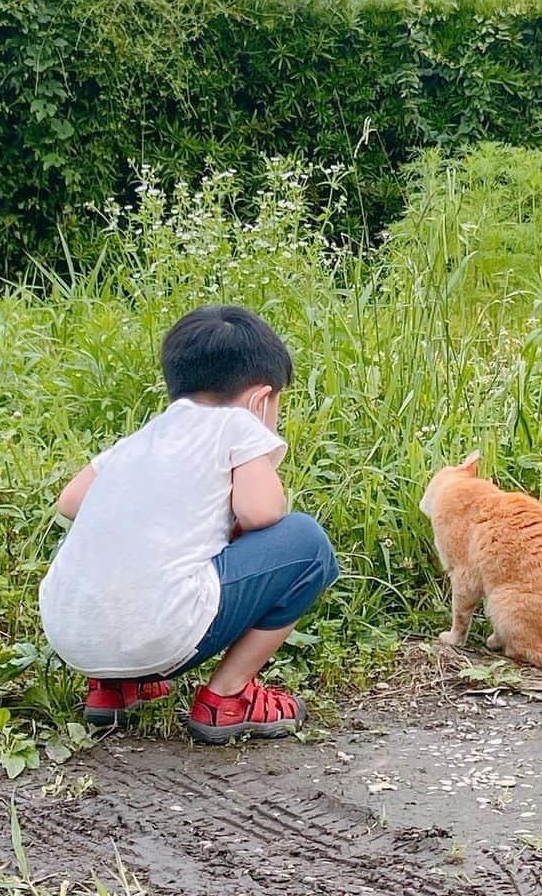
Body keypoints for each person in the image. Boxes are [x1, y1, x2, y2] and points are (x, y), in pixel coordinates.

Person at [38, 304, 338, 744]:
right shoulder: (240, 423)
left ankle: (114, 690)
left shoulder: (143, 438)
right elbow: (263, 513)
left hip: (71, 635)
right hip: (163, 633)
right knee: (307, 543)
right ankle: (227, 698)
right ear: (261, 398)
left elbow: (70, 502)